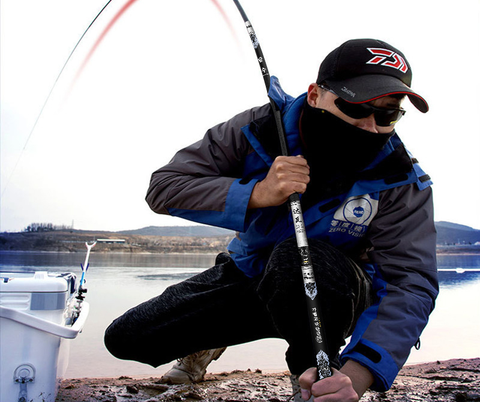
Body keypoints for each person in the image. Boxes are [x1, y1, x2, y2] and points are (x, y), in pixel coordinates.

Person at [104, 39, 438, 401]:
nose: (372, 127)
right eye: (356, 107)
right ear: (315, 96)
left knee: (300, 259)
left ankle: (313, 374)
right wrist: (258, 193)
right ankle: (211, 342)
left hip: (335, 289)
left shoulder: (401, 177)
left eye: (388, 114)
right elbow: (164, 187)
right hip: (248, 272)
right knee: (128, 338)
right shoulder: (256, 129)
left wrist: (359, 375)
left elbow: (411, 281)